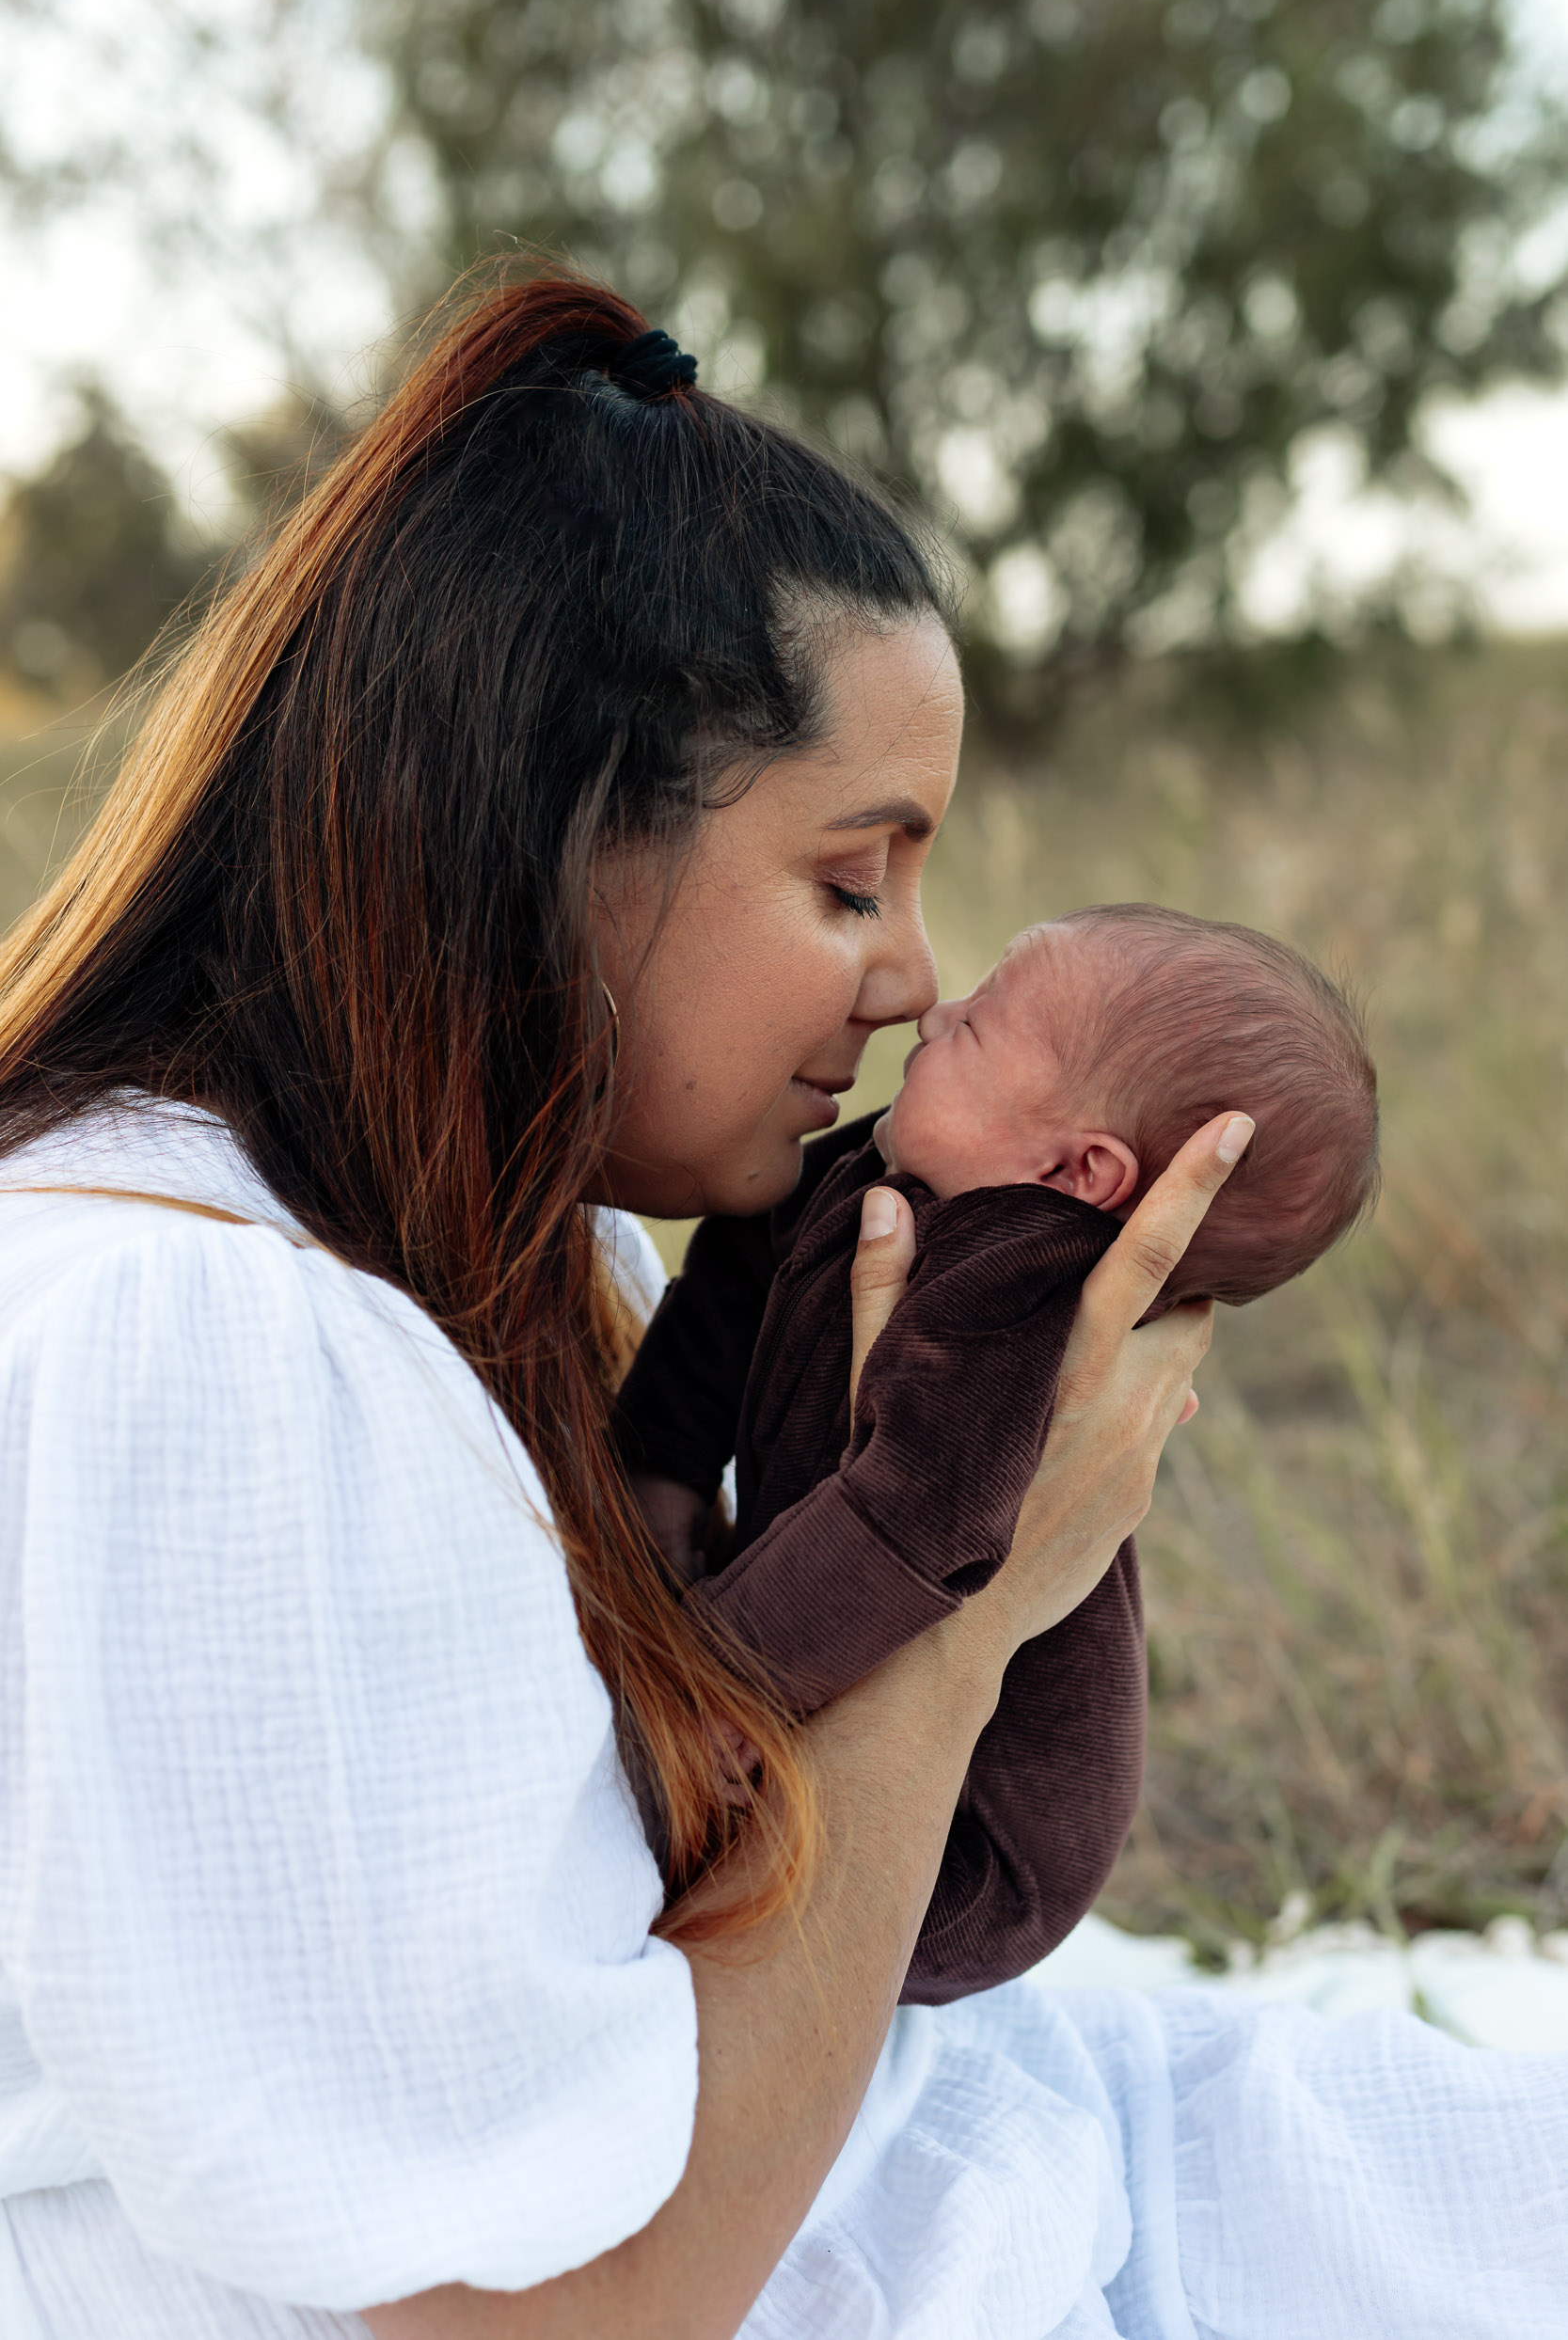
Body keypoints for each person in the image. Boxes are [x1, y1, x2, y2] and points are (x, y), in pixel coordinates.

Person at [0, 273, 1560, 2340]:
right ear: (542, 840)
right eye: (848, 879)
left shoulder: (492, 1250)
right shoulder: (203, 1355)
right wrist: (984, 1592)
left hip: (824, 2105)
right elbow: (554, 2307)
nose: (914, 976)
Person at [612, 906, 1379, 2004]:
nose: (938, 1007)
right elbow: (743, 1261)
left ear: (1074, 1173)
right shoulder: (917, 1161)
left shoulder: (1016, 1291)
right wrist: (662, 1468)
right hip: (837, 1700)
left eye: (980, 1024)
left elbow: (913, 1518)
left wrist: (708, 1691)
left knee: (715, 1905)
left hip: (972, 1849)